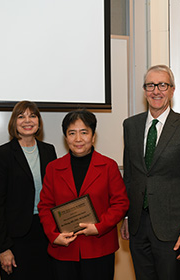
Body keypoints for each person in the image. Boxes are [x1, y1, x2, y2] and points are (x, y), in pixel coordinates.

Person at [120, 64, 180, 280]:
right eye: (150, 85)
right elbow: (130, 176)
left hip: (173, 228)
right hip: (138, 225)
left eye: (162, 85)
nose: (156, 91)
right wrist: (127, 216)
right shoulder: (131, 126)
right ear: (144, 89)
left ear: (172, 90)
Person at [38, 109, 129, 280]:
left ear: (93, 136)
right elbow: (45, 206)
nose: (78, 139)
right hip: (64, 249)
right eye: (72, 133)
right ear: (66, 137)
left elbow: (120, 203)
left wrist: (99, 227)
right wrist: (53, 235)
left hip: (99, 248)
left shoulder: (108, 166)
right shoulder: (53, 168)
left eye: (84, 132)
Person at [0, 100, 57, 279]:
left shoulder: (49, 151)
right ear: (14, 122)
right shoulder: (2, 154)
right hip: (16, 238)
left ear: (39, 121)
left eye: (32, 115)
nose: (27, 120)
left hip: (47, 231)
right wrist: (3, 248)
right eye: (21, 116)